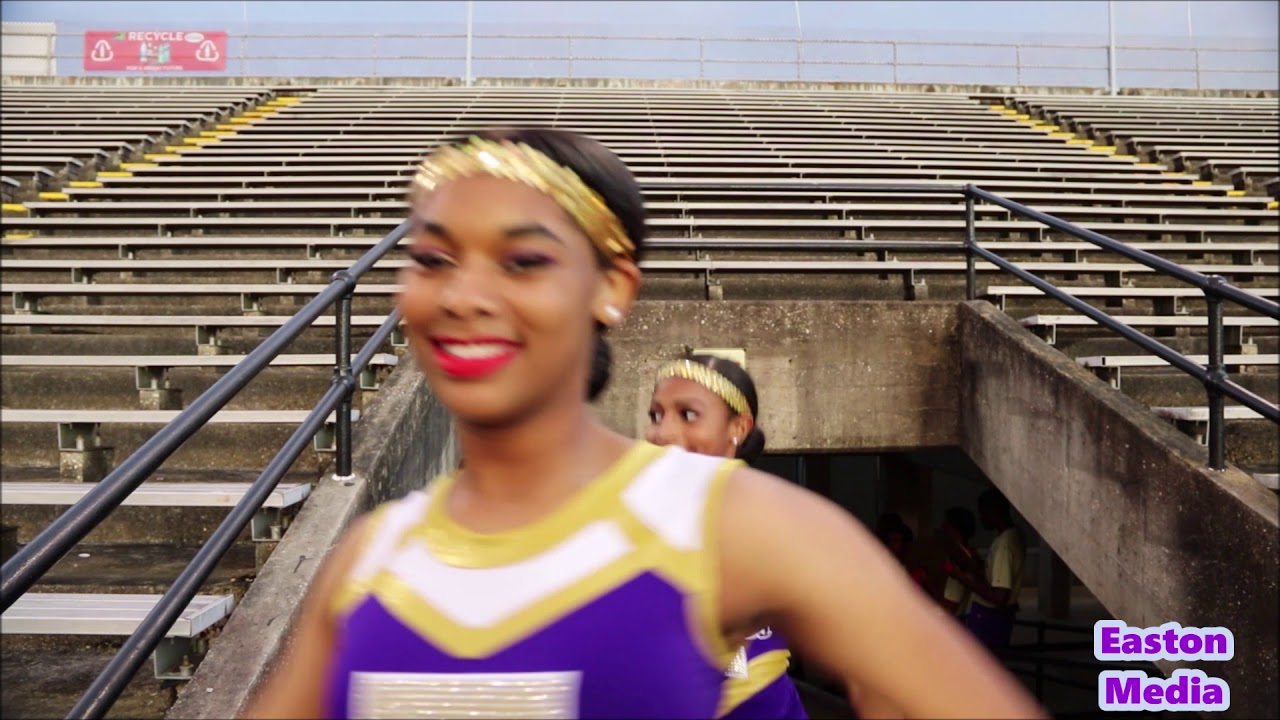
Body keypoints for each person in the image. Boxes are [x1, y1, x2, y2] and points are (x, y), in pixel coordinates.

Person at [244, 128, 1045, 719]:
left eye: (523, 261)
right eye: (433, 259)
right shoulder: (371, 558)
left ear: (612, 288)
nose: (463, 296)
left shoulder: (743, 529)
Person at [646, 353, 806, 719]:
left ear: (739, 427)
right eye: (656, 415)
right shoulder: (631, 518)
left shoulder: (778, 521)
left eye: (689, 415)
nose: (662, 433)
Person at [945, 489, 1026, 648]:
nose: (981, 519)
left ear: (994, 511)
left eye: (983, 513)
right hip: (996, 616)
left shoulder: (1004, 545)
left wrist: (960, 577)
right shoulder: (1012, 536)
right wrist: (978, 566)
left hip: (989, 617)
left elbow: (999, 596)